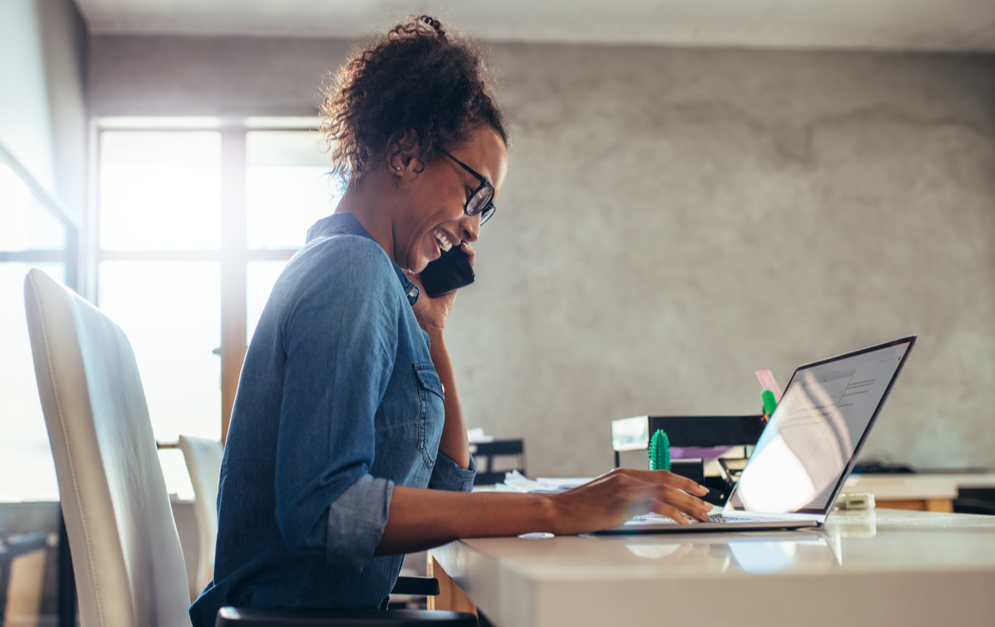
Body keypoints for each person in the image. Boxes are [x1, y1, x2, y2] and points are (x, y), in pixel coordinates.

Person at [188, 15, 711, 625]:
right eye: (474, 194)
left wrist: (434, 333)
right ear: (407, 154)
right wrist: (554, 510)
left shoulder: (368, 278)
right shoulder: (348, 268)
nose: (472, 228)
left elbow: (447, 489)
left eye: (485, 211)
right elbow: (325, 511)